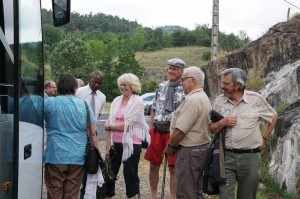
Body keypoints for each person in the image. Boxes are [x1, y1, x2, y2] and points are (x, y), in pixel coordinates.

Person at [208, 68, 278, 199]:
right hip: (226, 157)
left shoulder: (255, 99)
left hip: (250, 158)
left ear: (238, 85)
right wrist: (222, 122)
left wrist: (264, 138)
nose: (222, 87)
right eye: (222, 83)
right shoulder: (218, 101)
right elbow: (211, 128)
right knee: (225, 195)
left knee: (247, 196)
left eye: (226, 84)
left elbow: (273, 117)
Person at [44, 73, 98, 199]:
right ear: (75, 88)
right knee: (72, 193)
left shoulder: (49, 103)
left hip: (55, 155)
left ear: (59, 88)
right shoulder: (84, 105)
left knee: (54, 192)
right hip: (77, 157)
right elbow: (93, 133)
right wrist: (96, 154)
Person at [164, 66, 211, 198]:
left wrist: (170, 146)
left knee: (186, 191)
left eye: (183, 79)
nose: (181, 83)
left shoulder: (192, 100)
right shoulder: (203, 97)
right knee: (196, 189)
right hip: (199, 149)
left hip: (190, 151)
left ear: (193, 81)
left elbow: (180, 130)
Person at [144, 58, 186, 199]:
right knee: (153, 165)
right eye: (169, 68)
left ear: (181, 71)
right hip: (157, 130)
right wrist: (151, 127)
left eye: (174, 68)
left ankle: (173, 196)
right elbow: (154, 107)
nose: (171, 71)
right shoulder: (161, 86)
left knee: (173, 167)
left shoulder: (185, 87)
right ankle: (153, 195)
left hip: (173, 132)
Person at [104, 73, 150, 199]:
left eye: (126, 85)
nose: (123, 87)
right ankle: (107, 196)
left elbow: (129, 126)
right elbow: (108, 122)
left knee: (130, 174)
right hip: (115, 143)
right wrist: (107, 146)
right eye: (121, 84)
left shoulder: (138, 101)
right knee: (109, 173)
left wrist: (111, 127)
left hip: (132, 144)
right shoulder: (116, 100)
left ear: (133, 86)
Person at [76, 70, 106, 198]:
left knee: (92, 160)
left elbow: (98, 115)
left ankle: (86, 192)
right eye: (95, 82)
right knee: (79, 160)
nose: (97, 85)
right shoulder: (79, 92)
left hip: (92, 132)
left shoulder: (102, 97)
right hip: (79, 131)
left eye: (100, 83)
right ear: (90, 78)